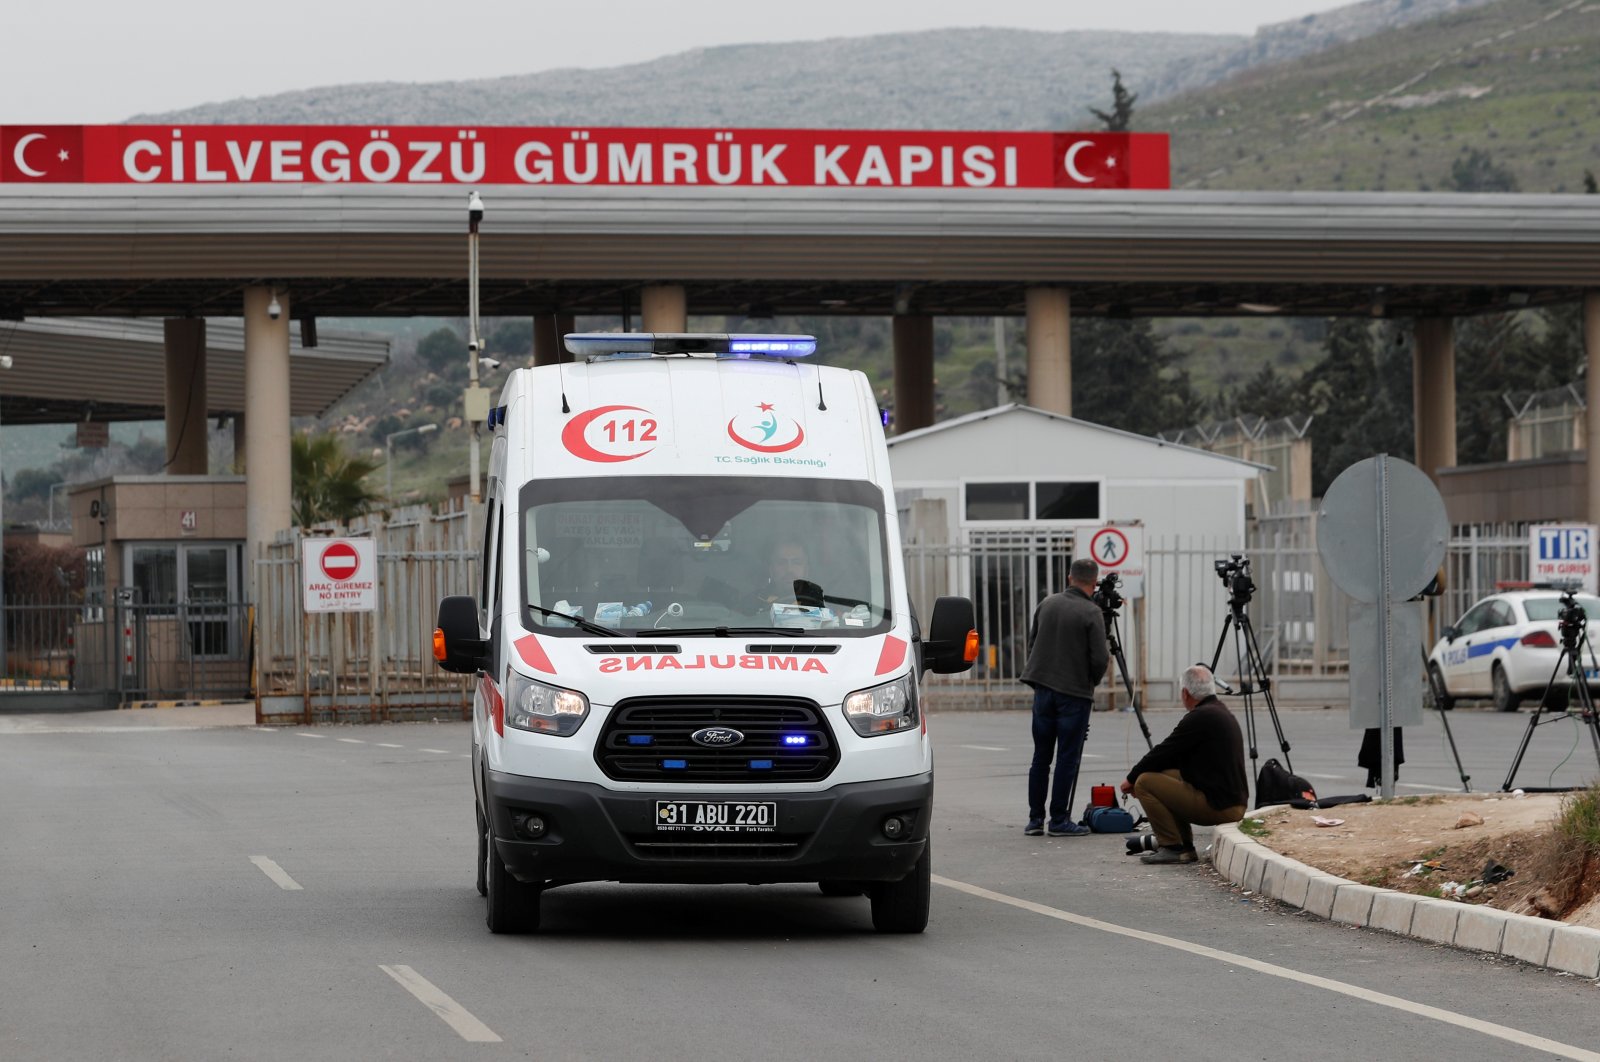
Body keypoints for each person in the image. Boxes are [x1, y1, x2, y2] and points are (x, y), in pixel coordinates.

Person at [1119, 664, 1248, 865]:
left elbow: (1163, 751)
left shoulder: (1199, 717)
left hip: (1220, 806)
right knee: (1166, 773)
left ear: (1185, 693)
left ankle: (1173, 846)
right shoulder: (1219, 712)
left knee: (1144, 781)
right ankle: (1184, 845)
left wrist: (1131, 779)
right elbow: (1170, 758)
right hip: (1231, 801)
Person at [1019, 557, 1109, 838]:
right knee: (1067, 758)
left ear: (1070, 578)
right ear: (1094, 583)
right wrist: (1089, 682)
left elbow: (1033, 643)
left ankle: (1035, 820)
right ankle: (1059, 820)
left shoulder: (1047, 603)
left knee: (1041, 757)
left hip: (1043, 690)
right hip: (1073, 694)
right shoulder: (1091, 613)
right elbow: (1100, 659)